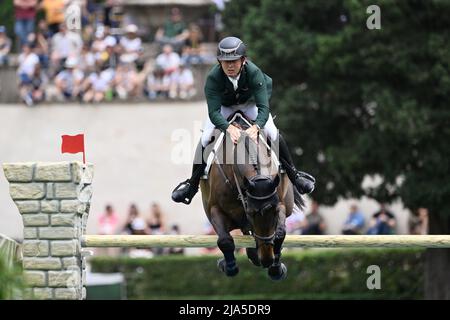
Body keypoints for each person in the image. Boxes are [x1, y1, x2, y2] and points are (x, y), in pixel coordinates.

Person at [171, 36, 316, 205]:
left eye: (234, 61)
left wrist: (256, 127)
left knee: (273, 133)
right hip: (225, 107)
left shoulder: (254, 72)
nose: (230, 66)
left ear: (243, 60)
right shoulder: (213, 78)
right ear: (219, 62)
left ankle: (295, 176)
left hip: (250, 104)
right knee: (205, 137)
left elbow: (264, 108)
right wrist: (228, 128)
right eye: (226, 62)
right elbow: (213, 112)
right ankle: (192, 184)